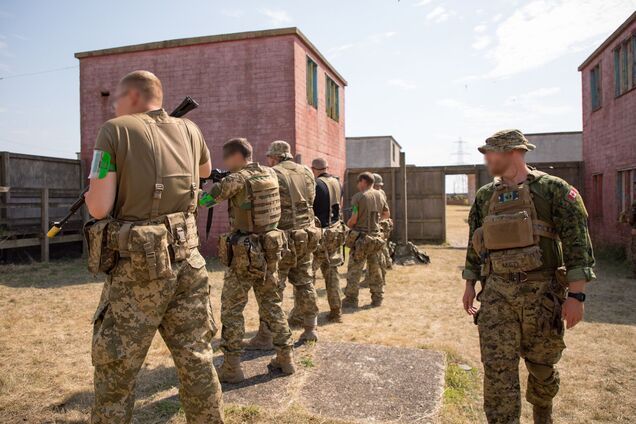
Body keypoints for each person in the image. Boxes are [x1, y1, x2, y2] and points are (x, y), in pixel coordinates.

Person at [84, 70, 224, 423]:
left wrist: (90, 195)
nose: (115, 105)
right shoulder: (191, 130)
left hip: (139, 267)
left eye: (117, 98)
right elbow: (205, 169)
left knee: (116, 368)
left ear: (132, 96)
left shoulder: (114, 130)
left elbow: (99, 207)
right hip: (188, 261)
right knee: (197, 358)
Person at [461, 129, 596, 424]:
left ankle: (542, 416)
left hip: (541, 296)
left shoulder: (554, 190)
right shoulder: (485, 196)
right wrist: (470, 282)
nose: (486, 159)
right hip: (497, 295)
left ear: (511, 152)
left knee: (542, 367)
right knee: (497, 370)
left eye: (490, 153)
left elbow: (577, 246)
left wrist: (576, 296)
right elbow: (476, 242)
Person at [199, 138, 295, 383]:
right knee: (272, 305)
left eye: (226, 159)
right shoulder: (270, 174)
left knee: (232, 310)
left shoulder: (237, 179)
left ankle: (232, 367)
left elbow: (206, 201)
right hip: (270, 249)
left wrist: (194, 188)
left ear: (234, 157)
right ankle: (286, 357)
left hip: (244, 253)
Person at [245, 141, 320, 348]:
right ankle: (310, 329)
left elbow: (266, 205)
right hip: (306, 235)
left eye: (270, 157)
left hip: (283, 239)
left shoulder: (272, 173)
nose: (268, 160)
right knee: (305, 282)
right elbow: (311, 198)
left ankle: (266, 335)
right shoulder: (306, 172)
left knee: (273, 287)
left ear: (275, 157)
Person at [343, 172, 390, 308]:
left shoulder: (358, 197)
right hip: (376, 238)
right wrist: (376, 223)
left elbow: (354, 218)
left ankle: (351, 300)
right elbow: (386, 214)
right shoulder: (380, 195)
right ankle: (377, 298)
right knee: (376, 270)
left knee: (354, 270)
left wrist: (348, 225)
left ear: (363, 181)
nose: (358, 185)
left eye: (358, 182)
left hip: (361, 239)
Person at [310, 157, 346, 323]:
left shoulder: (316, 185)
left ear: (313, 169)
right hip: (335, 232)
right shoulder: (337, 183)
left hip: (321, 234)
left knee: (308, 275)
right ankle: (336, 311)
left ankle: (304, 314)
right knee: (332, 273)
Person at [373, 173, 394, 273]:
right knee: (383, 244)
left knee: (378, 247)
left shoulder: (376, 194)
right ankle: (388, 263)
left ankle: (383, 266)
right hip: (384, 222)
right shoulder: (381, 192)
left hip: (380, 222)